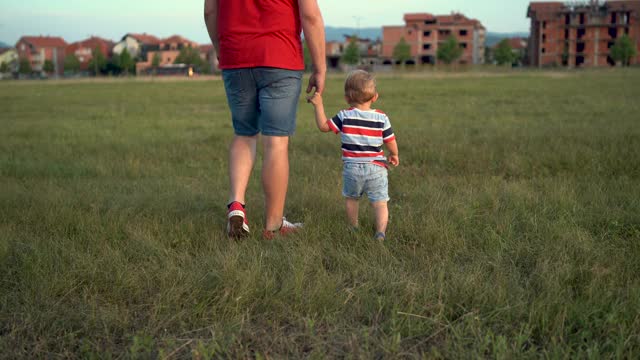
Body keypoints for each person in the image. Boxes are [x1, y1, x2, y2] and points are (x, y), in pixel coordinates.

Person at [204, 0, 326, 239]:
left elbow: (210, 11)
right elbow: (310, 15)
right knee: (276, 143)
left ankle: (237, 205)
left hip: (236, 55)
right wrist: (320, 67)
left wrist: (221, 48)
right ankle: (273, 226)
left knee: (244, 133)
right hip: (280, 56)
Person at [307, 70, 400, 241]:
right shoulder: (381, 117)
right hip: (377, 168)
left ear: (347, 98)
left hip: (352, 169)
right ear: (375, 97)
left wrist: (318, 104)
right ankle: (380, 233)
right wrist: (394, 154)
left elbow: (323, 126)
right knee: (380, 203)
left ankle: (353, 228)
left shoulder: (344, 116)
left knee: (352, 200)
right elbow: (390, 140)